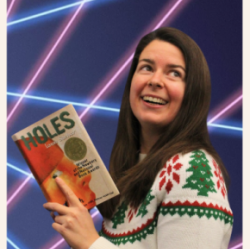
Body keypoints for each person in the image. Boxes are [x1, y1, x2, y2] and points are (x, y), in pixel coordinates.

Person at [43, 27, 233, 249]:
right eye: (146, 68)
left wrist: (91, 244)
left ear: (194, 92)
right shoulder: (128, 172)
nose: (155, 80)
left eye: (174, 73)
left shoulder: (194, 169)